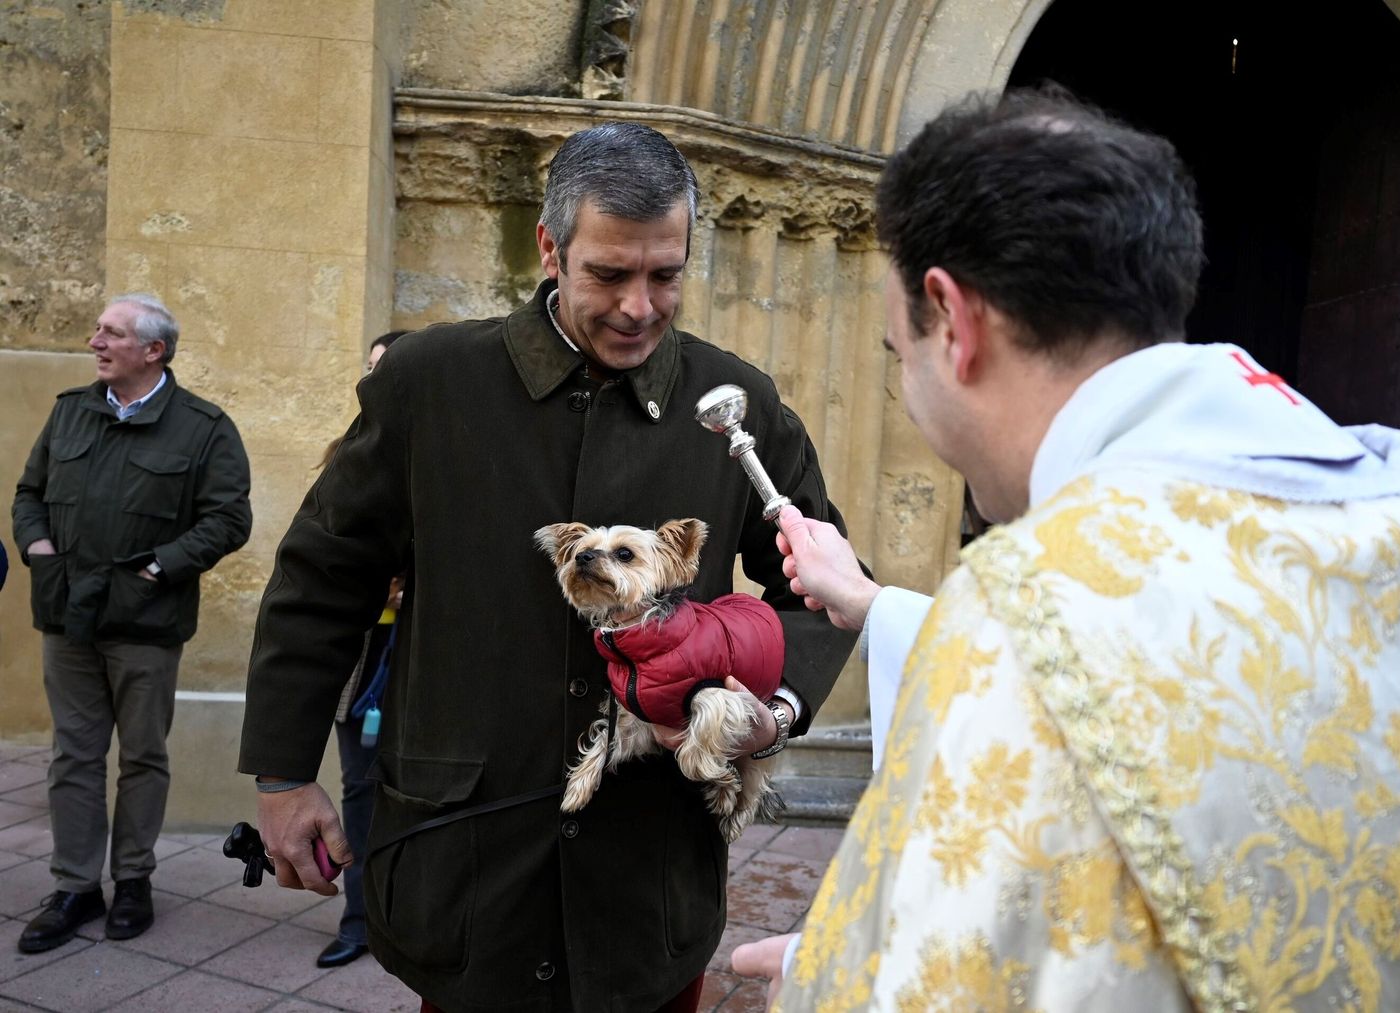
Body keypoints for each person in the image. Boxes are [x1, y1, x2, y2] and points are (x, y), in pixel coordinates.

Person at [732, 87, 1400, 1010]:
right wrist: (872, 603)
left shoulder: (1031, 601)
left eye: (902, 352)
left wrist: (822, 980)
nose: (909, 391)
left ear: (955, 319)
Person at [239, 122, 857, 1012]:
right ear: (550, 248)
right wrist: (284, 775)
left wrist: (776, 711)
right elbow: (320, 579)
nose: (640, 305)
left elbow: (823, 585)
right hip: (467, 866)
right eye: (609, 273)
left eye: (666, 273)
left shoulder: (738, 404)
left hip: (649, 877)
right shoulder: (429, 382)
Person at [11, 293, 252, 953]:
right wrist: (36, 548)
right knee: (73, 756)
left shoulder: (203, 426)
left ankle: (134, 879)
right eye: (98, 331)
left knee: (142, 756)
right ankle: (75, 885)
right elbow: (29, 493)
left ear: (154, 350)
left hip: (145, 623)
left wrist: (159, 568)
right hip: (65, 615)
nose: (95, 341)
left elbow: (229, 518)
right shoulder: (70, 412)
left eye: (110, 333)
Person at [312, 329, 410, 970]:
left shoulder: (456, 454)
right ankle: (360, 921)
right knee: (360, 792)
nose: (374, 381)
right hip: (365, 660)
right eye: (368, 368)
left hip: (427, 652)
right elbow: (324, 558)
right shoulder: (346, 454)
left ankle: (416, 918)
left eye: (388, 369)